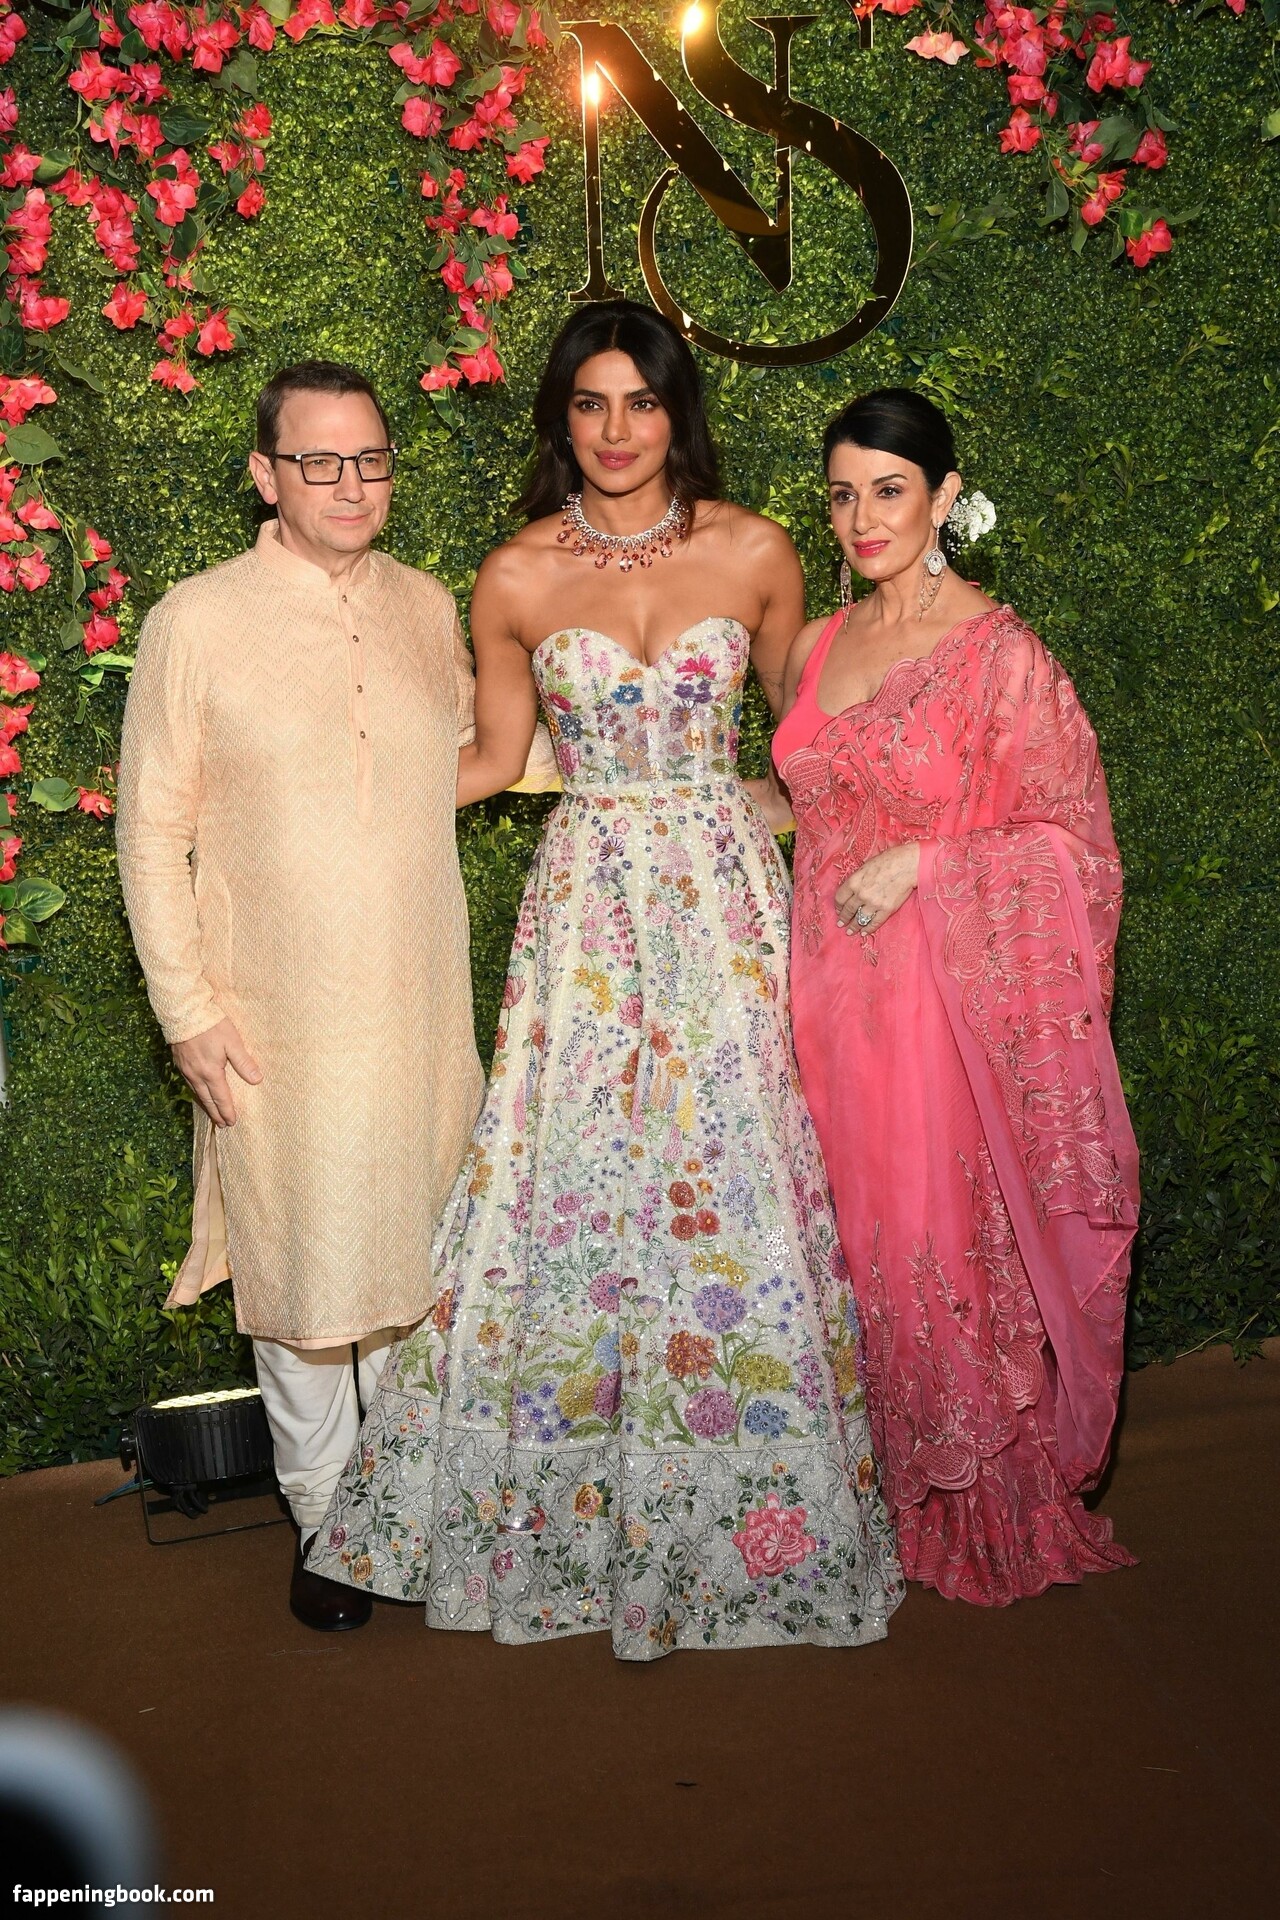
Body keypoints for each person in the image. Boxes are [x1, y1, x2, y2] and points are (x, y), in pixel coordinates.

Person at [307, 302, 903, 1657]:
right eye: (590, 403)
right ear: (560, 418)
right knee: (564, 1184)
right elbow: (485, 758)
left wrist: (865, 825)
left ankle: (751, 1509)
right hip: (585, 915)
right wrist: (321, 804)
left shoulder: (754, 549)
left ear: (675, 410)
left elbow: (810, 745)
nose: (617, 430)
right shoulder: (516, 573)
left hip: (723, 908)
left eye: (641, 401)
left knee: (734, 1175)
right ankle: (553, 1512)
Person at [116, 360, 555, 1632]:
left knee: (416, 1268)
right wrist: (187, 1012)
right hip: (271, 1018)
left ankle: (412, 1505)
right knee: (306, 1287)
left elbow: (486, 754)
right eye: (319, 462)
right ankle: (329, 1525)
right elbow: (150, 831)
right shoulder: (195, 620)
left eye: (370, 460)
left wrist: (653, 762)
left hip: (414, 1011)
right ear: (266, 476)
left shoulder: (423, 606)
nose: (350, 485)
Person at [768, 388, 1140, 1604]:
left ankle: (976, 1498)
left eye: (888, 490)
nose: (862, 518)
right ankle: (864, 1483)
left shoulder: (999, 657)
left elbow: (1074, 848)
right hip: (819, 998)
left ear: (942, 496)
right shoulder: (813, 645)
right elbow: (800, 799)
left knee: (925, 1236)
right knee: (840, 1240)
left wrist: (930, 863)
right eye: (842, 494)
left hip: (940, 1010)